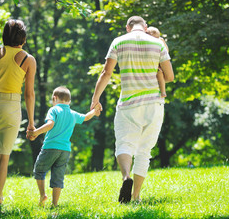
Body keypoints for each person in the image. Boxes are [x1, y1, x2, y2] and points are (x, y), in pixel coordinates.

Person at [90, 16, 174, 203]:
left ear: (128, 28)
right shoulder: (157, 43)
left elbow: (106, 73)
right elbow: (169, 76)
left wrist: (95, 99)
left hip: (128, 104)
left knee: (124, 144)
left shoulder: (118, 41)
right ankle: (136, 197)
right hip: (154, 104)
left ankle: (126, 177)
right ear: (145, 27)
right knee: (144, 151)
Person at [0, 19, 36, 214]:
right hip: (11, 107)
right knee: (3, 157)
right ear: (23, 38)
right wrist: (32, 122)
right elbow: (29, 94)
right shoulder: (28, 59)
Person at [27, 86, 101, 207]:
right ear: (69, 101)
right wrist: (95, 110)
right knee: (58, 176)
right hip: (65, 150)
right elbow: (86, 117)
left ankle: (42, 195)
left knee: (39, 170)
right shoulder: (72, 113)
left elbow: (50, 124)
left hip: (50, 147)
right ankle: (54, 204)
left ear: (54, 98)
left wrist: (36, 132)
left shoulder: (54, 110)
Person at [146, 26, 169, 97]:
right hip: (153, 62)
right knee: (159, 75)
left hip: (158, 62)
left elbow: (167, 51)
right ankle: (162, 90)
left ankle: (163, 91)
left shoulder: (160, 41)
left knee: (160, 75)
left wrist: (163, 43)